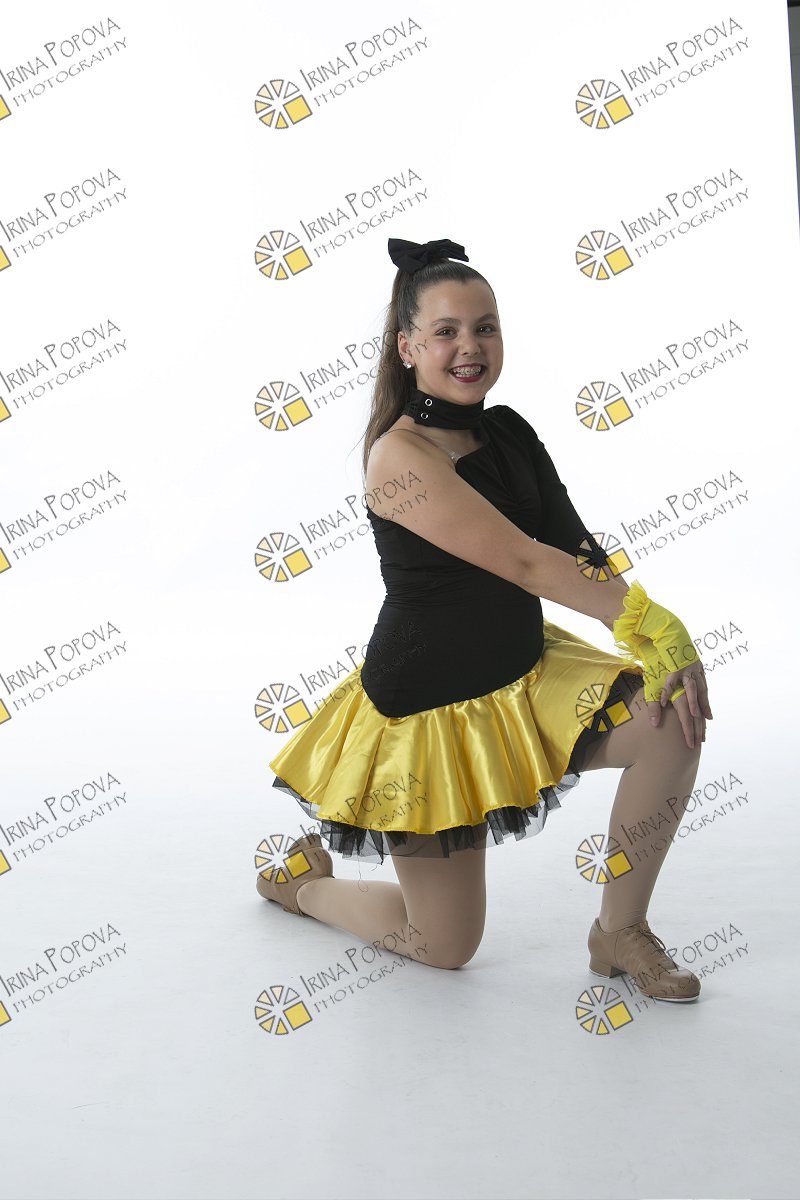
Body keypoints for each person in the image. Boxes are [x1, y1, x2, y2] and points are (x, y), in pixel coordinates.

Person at [257, 237, 713, 1003]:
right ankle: (303, 887)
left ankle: (619, 931)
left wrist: (644, 632)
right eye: (446, 331)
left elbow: (574, 549)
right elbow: (527, 563)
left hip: (523, 668)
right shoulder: (399, 458)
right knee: (444, 946)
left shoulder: (509, 432)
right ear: (407, 347)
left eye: (485, 327)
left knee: (669, 722)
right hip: (427, 711)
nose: (469, 346)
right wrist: (650, 622)